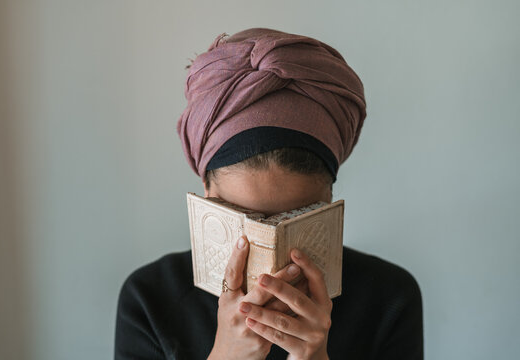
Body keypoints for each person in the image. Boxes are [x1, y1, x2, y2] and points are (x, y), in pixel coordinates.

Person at [114, 28, 423, 360]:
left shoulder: (390, 298)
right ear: (206, 192)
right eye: (242, 220)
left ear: (329, 202)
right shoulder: (149, 299)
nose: (269, 265)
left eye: (294, 220)